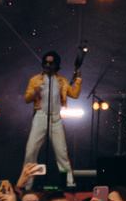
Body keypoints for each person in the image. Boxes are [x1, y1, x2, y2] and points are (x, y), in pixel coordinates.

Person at [23, 52, 83, 182]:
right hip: (40, 116)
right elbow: (27, 99)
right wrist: (34, 92)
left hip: (55, 118)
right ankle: (26, 184)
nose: (47, 65)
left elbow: (75, 94)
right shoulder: (35, 80)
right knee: (31, 151)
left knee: (62, 153)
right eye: (45, 62)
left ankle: (69, 183)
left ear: (56, 65)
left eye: (50, 63)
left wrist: (78, 79)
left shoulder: (61, 81)